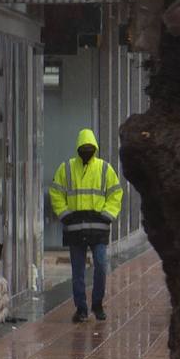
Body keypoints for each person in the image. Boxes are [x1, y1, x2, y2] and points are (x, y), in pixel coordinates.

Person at [49, 129, 124, 322]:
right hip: (75, 228)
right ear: (78, 148)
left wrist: (107, 215)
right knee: (78, 270)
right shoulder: (66, 169)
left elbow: (116, 193)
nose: (87, 151)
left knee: (100, 265)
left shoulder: (105, 169)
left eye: (90, 148)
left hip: (98, 228)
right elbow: (56, 192)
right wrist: (65, 215)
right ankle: (81, 308)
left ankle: (97, 304)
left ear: (95, 148)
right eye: (84, 148)